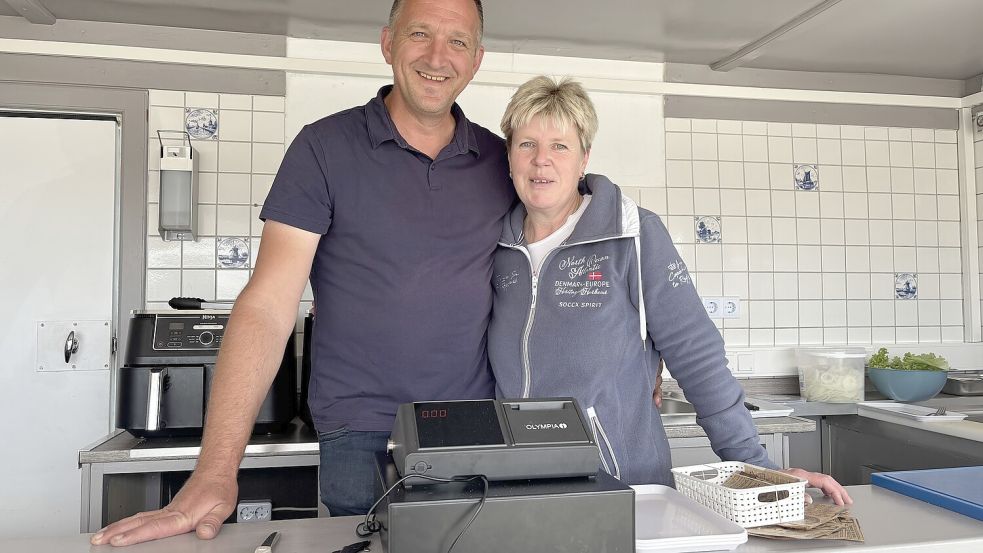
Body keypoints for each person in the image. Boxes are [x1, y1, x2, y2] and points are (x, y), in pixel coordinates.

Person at [92, 0, 514, 546]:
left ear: (476, 59)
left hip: (468, 429)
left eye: (457, 41)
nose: (438, 56)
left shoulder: (501, 161)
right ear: (388, 43)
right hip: (360, 432)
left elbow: (564, 258)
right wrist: (215, 471)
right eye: (420, 33)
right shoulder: (323, 148)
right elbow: (268, 305)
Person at [488, 76, 851, 503]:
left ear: (584, 158)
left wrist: (758, 467)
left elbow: (696, 353)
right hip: (515, 489)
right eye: (527, 144)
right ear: (509, 155)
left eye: (560, 146)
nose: (541, 161)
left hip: (621, 489)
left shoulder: (634, 234)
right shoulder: (496, 246)